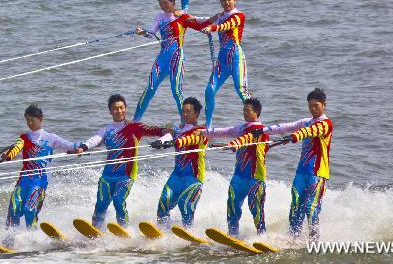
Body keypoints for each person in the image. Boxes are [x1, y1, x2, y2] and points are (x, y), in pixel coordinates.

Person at [72, 94, 168, 228]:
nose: (119, 111)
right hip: (107, 175)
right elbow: (94, 140)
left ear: (126, 108)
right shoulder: (106, 130)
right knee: (100, 203)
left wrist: (168, 134)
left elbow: (157, 130)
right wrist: (82, 148)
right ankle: (95, 230)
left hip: (126, 175)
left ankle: (124, 229)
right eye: (116, 108)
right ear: (110, 111)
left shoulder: (135, 127)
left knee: (118, 200)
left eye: (122, 108)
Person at [264, 88, 333, 243]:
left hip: (317, 173)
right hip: (301, 172)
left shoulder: (326, 124)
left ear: (324, 105)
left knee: (311, 207)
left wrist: (294, 136)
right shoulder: (306, 122)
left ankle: (314, 241)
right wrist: (261, 131)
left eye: (316, 105)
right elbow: (284, 127)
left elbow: (309, 131)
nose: (313, 109)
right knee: (296, 206)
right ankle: (293, 239)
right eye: (310, 106)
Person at [0, 105, 77, 229]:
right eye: (27, 120)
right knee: (13, 210)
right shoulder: (24, 138)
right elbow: (16, 148)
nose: (29, 123)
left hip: (40, 181)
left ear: (40, 119)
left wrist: (81, 148)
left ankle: (32, 238)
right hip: (23, 181)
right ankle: (9, 240)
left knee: (30, 210)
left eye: (32, 119)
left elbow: (69, 145)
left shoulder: (51, 138)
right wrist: (8, 155)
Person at [133, 0, 204, 122]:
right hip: (162, 58)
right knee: (150, 88)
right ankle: (135, 121)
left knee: (176, 91)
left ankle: (186, 124)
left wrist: (212, 25)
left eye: (165, 3)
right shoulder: (159, 17)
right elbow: (151, 33)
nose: (163, 6)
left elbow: (199, 23)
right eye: (160, 3)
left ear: (173, 2)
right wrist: (142, 32)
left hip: (177, 57)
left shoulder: (181, 16)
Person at [203, 98, 268, 236]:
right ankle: (233, 234)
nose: (244, 113)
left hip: (255, 177)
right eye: (244, 110)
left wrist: (234, 144)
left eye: (248, 110)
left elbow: (246, 139)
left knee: (255, 207)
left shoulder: (260, 130)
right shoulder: (242, 127)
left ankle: (263, 236)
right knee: (232, 205)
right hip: (239, 175)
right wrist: (205, 132)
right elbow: (224, 131)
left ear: (256, 112)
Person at [193, 0, 251, 128]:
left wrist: (212, 29)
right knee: (209, 90)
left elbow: (226, 26)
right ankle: (208, 127)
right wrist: (191, 19)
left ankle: (254, 122)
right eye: (223, 0)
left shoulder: (239, 16)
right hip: (222, 60)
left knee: (241, 90)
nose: (226, 3)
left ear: (235, 1)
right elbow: (206, 20)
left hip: (236, 58)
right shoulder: (220, 15)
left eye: (229, 0)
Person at [150, 96, 207, 229]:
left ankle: (188, 232)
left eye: (188, 111)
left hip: (194, 177)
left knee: (185, 204)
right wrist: (162, 141)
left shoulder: (202, 130)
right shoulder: (177, 129)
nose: (185, 114)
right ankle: (163, 231)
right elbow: (169, 135)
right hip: (177, 175)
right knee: (163, 203)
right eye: (183, 111)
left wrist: (174, 142)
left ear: (196, 113)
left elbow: (190, 139)